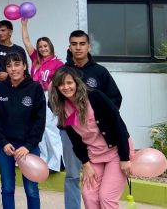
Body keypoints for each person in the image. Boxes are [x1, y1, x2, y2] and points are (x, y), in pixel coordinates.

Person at [49, 67, 133, 209]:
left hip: (116, 152)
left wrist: (125, 158)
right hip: (94, 155)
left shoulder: (95, 97)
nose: (66, 87)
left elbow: (118, 125)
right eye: (61, 84)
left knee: (106, 198)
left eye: (69, 82)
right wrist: (86, 164)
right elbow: (76, 141)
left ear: (76, 82)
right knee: (89, 196)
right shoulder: (63, 108)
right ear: (57, 87)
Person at [62, 30, 123, 209]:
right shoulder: (64, 72)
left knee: (103, 192)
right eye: (74, 44)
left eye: (82, 44)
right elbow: (55, 101)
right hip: (73, 133)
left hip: (102, 137)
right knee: (74, 175)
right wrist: (72, 120)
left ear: (88, 47)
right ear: (69, 47)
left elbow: (115, 99)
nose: (78, 47)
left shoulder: (100, 72)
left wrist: (100, 120)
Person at [0, 52, 45, 209]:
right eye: (9, 65)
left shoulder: (35, 88)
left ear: (24, 66)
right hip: (5, 146)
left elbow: (40, 121)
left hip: (28, 147)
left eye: (17, 64)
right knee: (7, 188)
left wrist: (28, 146)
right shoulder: (0, 89)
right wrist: (3, 142)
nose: (13, 69)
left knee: (32, 189)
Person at [20, 19, 64, 172]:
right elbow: (26, 41)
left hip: (49, 97)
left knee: (51, 129)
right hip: (35, 96)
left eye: (45, 46)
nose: (43, 48)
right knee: (39, 128)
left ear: (50, 46)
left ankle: (56, 162)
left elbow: (61, 83)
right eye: (40, 47)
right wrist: (24, 25)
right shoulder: (35, 60)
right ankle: (44, 160)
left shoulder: (58, 63)